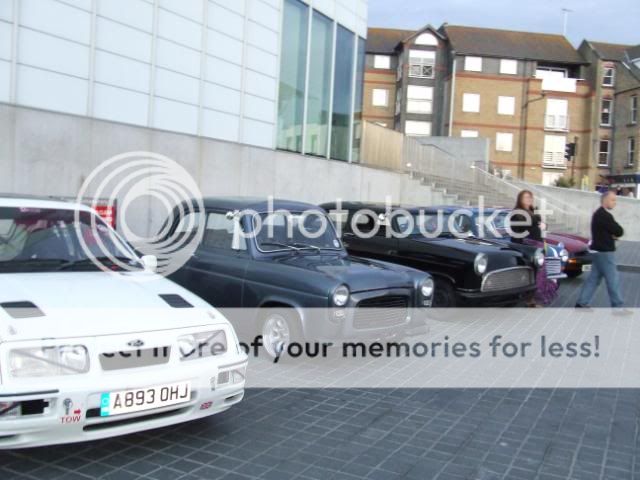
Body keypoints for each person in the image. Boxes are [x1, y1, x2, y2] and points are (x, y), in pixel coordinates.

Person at [576, 190, 625, 308]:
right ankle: (617, 306)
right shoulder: (605, 216)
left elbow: (614, 232)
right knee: (613, 279)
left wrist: (612, 234)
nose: (615, 203)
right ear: (605, 200)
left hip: (598, 252)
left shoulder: (597, 214)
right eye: (613, 200)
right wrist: (613, 234)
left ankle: (581, 303)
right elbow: (619, 231)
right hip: (605, 253)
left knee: (594, 279)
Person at [510, 190, 557, 307]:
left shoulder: (533, 211)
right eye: (526, 197)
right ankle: (532, 300)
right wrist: (520, 248)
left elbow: (541, 226)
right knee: (535, 274)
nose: (529, 199)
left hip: (539, 246)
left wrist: (544, 226)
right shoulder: (517, 213)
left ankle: (533, 300)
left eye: (530, 197)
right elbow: (516, 233)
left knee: (541, 274)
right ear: (520, 199)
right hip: (528, 247)